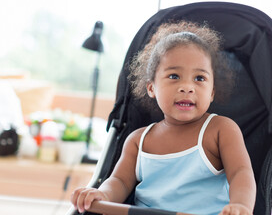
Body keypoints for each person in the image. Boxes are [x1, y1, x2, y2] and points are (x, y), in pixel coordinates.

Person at [71, 21, 256, 215]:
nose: (187, 87)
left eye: (199, 78)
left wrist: (241, 206)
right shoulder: (138, 140)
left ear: (212, 92)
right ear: (151, 88)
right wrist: (103, 195)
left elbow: (240, 173)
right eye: (174, 76)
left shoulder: (221, 129)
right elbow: (120, 181)